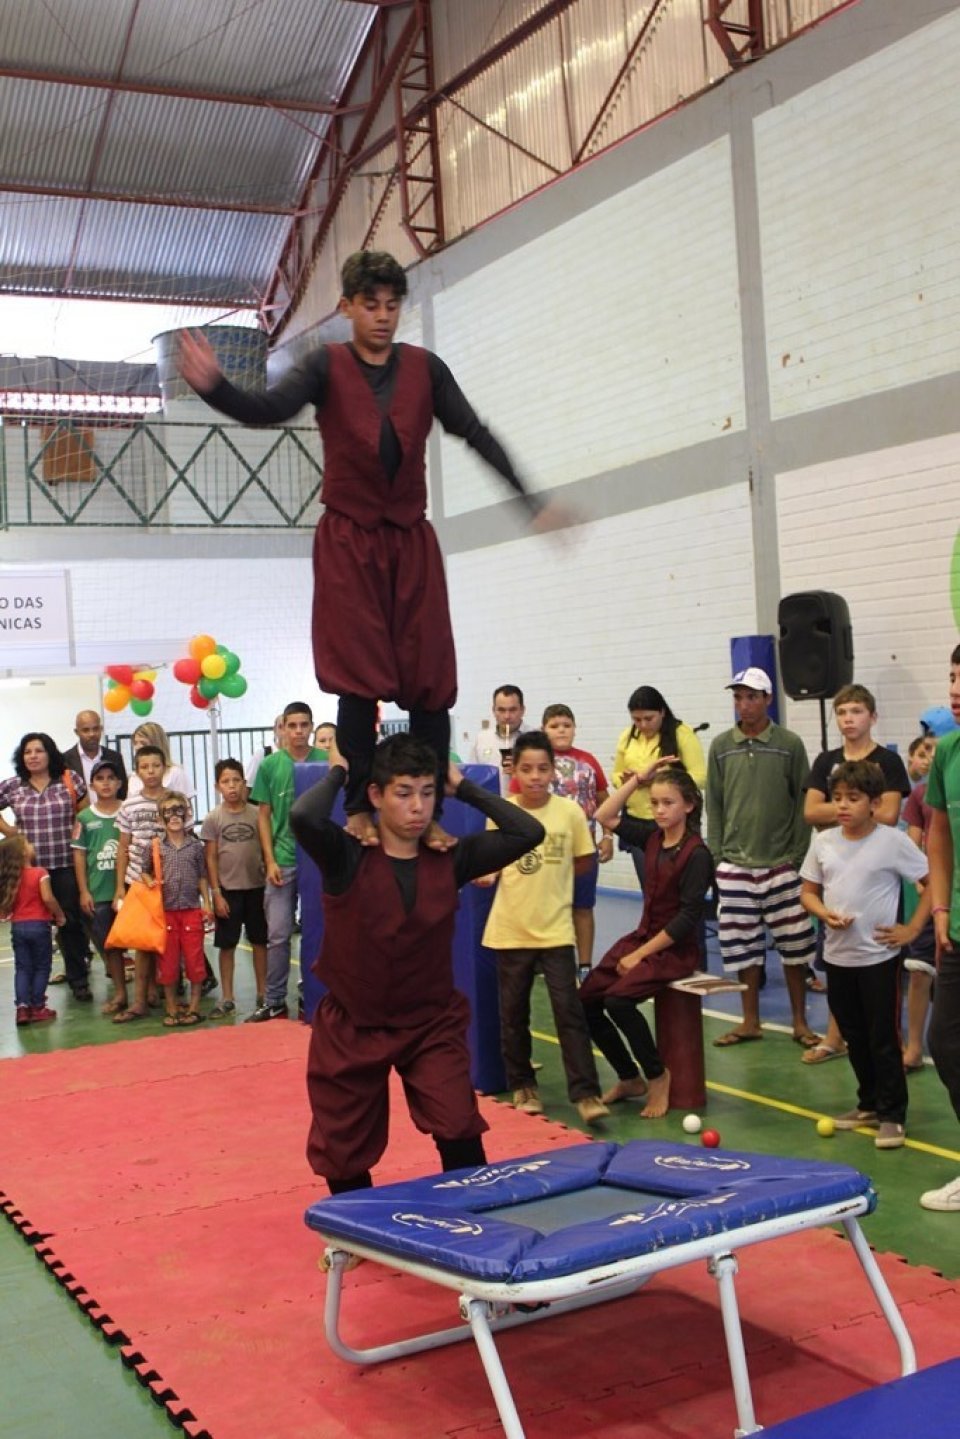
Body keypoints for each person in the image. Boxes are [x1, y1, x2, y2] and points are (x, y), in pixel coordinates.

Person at [179, 251, 559, 848]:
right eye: (371, 306)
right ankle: (358, 805)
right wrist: (214, 388)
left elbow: (475, 433)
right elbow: (267, 410)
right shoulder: (325, 366)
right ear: (347, 307)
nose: (383, 317)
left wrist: (528, 499)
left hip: (409, 538)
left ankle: (428, 814)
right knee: (358, 681)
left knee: (431, 679)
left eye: (392, 306)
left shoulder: (425, 371)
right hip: (351, 539)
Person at [290, 733, 544, 1194]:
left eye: (427, 793)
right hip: (354, 1023)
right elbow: (303, 816)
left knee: (458, 1120)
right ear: (376, 795)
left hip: (430, 1022)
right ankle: (355, 1226)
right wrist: (341, 770)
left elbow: (528, 833)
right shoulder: (347, 855)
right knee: (341, 1142)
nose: (417, 807)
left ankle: (472, 1216)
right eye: (404, 793)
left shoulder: (450, 857)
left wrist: (462, 786)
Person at [480, 731, 610, 1125]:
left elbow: (583, 861)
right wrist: (487, 875)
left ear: (553, 770)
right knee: (513, 1013)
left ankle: (586, 1094)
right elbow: (491, 863)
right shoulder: (501, 811)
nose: (535, 777)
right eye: (526, 769)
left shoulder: (569, 812)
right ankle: (523, 1086)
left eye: (542, 769)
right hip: (511, 928)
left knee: (568, 1011)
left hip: (555, 930)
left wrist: (554, 883)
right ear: (514, 770)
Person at [800, 760, 929, 1149]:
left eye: (852, 799)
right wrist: (824, 914)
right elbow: (808, 892)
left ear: (874, 803)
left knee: (882, 1036)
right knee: (854, 1035)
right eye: (837, 798)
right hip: (838, 958)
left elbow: (931, 882)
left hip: (878, 959)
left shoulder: (892, 841)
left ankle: (893, 1115)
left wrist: (912, 929)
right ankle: (868, 1103)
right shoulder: (823, 842)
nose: (842, 806)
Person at [581, 767, 713, 1118]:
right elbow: (603, 815)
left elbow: (686, 920)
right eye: (654, 803)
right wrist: (637, 780)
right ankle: (629, 1077)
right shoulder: (652, 837)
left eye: (668, 803)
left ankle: (657, 1076)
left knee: (618, 1002)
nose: (659, 810)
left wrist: (639, 955)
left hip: (674, 949)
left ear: (689, 805)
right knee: (586, 1002)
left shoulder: (697, 854)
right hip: (642, 936)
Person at [707, 668, 820, 1048]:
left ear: (768, 699)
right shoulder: (721, 746)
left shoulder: (790, 744)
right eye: (738, 697)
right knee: (744, 950)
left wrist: (796, 858)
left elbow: (803, 802)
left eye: (751, 696)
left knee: (795, 948)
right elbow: (715, 804)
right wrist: (718, 856)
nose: (744, 704)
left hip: (782, 867)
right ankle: (749, 1021)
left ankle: (801, 1023)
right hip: (735, 867)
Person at [801, 683, 911, 1065]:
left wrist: (841, 811)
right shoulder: (825, 760)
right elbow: (810, 813)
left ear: (872, 717)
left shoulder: (888, 762)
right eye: (843, 713)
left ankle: (889, 1048)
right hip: (836, 872)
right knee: (838, 958)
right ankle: (835, 1037)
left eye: (857, 712)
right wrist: (852, 810)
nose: (849, 719)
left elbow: (888, 815)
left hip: (876, 872)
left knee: (878, 965)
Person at [248, 701, 327, 1022]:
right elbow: (263, 817)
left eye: (303, 725)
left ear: (311, 727)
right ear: (282, 728)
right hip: (282, 859)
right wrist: (269, 860)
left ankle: (316, 995)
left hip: (318, 861)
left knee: (316, 932)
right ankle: (275, 1000)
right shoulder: (270, 766)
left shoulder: (326, 762)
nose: (297, 731)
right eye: (291, 725)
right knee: (278, 933)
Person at [0, 732, 91, 1001]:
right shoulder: (13, 785)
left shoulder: (69, 780)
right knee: (31, 927)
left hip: (65, 865)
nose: (33, 756)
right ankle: (31, 991)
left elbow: (84, 815)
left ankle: (79, 980)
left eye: (38, 751)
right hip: (29, 871)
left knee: (71, 923)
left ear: (49, 753)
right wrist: (10, 833)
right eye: (28, 752)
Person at [524, 703, 612, 973]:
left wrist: (608, 835)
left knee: (582, 908)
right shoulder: (536, 766)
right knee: (546, 908)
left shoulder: (588, 761)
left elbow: (604, 801)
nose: (561, 730)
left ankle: (584, 964)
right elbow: (518, 804)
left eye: (566, 725)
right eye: (554, 726)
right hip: (547, 851)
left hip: (582, 850)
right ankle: (546, 962)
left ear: (574, 728)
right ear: (544, 729)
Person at [921, 642, 960, 1210]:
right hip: (958, 929)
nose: (955, 688)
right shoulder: (948, 752)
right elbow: (939, 835)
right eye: (953, 676)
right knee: (944, 1040)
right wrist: (941, 907)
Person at [611, 686, 707, 888]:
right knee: (650, 888)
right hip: (637, 820)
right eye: (637, 720)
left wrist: (660, 781)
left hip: (673, 823)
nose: (643, 725)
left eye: (649, 718)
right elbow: (615, 775)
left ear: (662, 712)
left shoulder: (682, 734)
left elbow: (700, 777)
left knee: (676, 888)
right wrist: (628, 780)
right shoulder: (627, 737)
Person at [201, 758, 267, 1018]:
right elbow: (210, 859)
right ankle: (228, 997)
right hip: (228, 891)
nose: (232, 786)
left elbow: (265, 846)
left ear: (244, 782)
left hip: (257, 887)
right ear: (218, 786)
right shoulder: (213, 818)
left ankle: (263, 993)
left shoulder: (257, 813)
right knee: (227, 945)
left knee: (260, 941)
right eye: (226, 781)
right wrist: (216, 893)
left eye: (236, 780)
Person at [143, 793, 212, 1027]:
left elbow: (203, 876)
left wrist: (208, 904)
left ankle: (194, 1006)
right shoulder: (155, 847)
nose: (174, 816)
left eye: (178, 810)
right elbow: (145, 870)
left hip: (191, 910)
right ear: (160, 818)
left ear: (187, 813)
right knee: (168, 962)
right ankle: (171, 1007)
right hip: (166, 912)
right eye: (168, 812)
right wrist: (149, 881)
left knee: (194, 960)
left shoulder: (196, 846)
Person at [113, 743, 169, 1023]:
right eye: (145, 767)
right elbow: (123, 847)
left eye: (156, 766)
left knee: (169, 941)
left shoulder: (175, 800)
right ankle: (138, 1002)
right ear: (137, 772)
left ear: (165, 768)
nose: (151, 772)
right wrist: (119, 888)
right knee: (142, 942)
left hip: (170, 880)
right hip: (138, 881)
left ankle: (169, 997)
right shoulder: (129, 805)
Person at [72, 757, 127, 1016]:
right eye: (100, 779)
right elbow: (80, 855)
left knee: (144, 943)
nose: (106, 783)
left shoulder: (128, 811)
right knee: (110, 945)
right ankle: (120, 993)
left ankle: (149, 990)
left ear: (119, 783)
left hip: (129, 890)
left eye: (111, 778)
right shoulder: (84, 817)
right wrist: (84, 890)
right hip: (99, 892)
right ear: (92, 785)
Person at [0, 834, 65, 1025]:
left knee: (22, 968)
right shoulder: (40, 873)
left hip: (18, 927)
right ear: (23, 852)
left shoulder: (11, 878)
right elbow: (48, 898)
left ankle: (22, 1007)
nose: (32, 845)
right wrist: (59, 914)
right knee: (42, 966)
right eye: (28, 843)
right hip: (39, 926)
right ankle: (37, 1006)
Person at [901, 757, 937, 1072]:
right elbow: (913, 845)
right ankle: (913, 1048)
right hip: (934, 896)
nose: (930, 757)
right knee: (918, 970)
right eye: (925, 750)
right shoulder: (920, 795)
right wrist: (919, 877)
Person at [126, 723, 195, 811]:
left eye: (143, 743)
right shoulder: (134, 777)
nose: (137, 747)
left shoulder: (175, 773)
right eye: (135, 743)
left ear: (157, 743)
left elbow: (187, 808)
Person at [473, 685, 528, 794]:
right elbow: (474, 778)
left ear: (522, 710)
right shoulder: (482, 739)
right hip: (491, 807)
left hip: (526, 807)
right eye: (501, 710)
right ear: (493, 710)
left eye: (513, 710)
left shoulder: (535, 738)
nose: (507, 716)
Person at [62, 710, 128, 798]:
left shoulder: (115, 757)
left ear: (101, 729)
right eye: (86, 730)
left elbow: (122, 792)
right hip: (79, 811)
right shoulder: (64, 760)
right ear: (76, 732)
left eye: (96, 729)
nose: (92, 734)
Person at [245, 714, 285, 790]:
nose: (284, 731)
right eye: (280, 727)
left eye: (289, 726)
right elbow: (248, 786)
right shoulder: (262, 754)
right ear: (274, 730)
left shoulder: (303, 756)